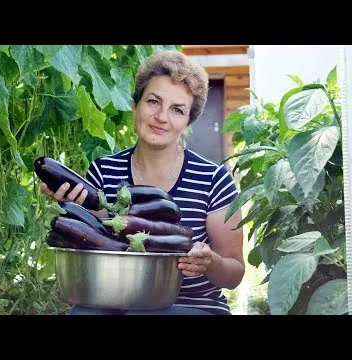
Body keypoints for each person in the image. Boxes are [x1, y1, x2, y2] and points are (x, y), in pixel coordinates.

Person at [41, 50, 244, 315]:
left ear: (187, 123)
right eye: (153, 102)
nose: (161, 117)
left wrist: (211, 263)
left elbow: (235, 272)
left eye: (177, 110)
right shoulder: (104, 171)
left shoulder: (214, 179)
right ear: (135, 105)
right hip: (111, 301)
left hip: (192, 307)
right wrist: (76, 212)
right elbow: (94, 243)